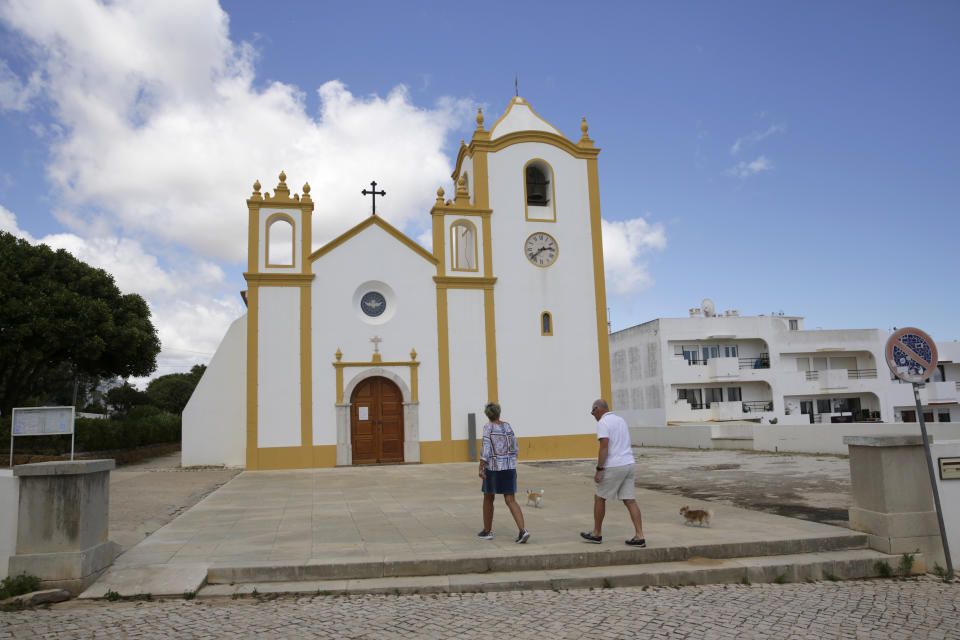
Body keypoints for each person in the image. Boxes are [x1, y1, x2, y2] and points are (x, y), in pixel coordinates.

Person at [580, 398, 646, 547]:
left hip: (615, 465)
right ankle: (639, 536)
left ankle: (596, 533)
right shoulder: (620, 420)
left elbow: (604, 447)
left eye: (593, 412)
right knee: (630, 500)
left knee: (599, 497)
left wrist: (599, 469)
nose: (594, 416)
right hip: (629, 463)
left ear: (597, 409)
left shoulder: (603, 422)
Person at [477, 402, 530, 543]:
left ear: (487, 414)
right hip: (509, 467)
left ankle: (487, 531)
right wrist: (510, 461)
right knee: (510, 499)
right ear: (499, 413)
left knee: (488, 497)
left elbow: (486, 448)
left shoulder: (488, 427)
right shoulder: (507, 426)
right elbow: (515, 447)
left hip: (493, 468)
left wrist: (481, 466)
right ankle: (522, 530)